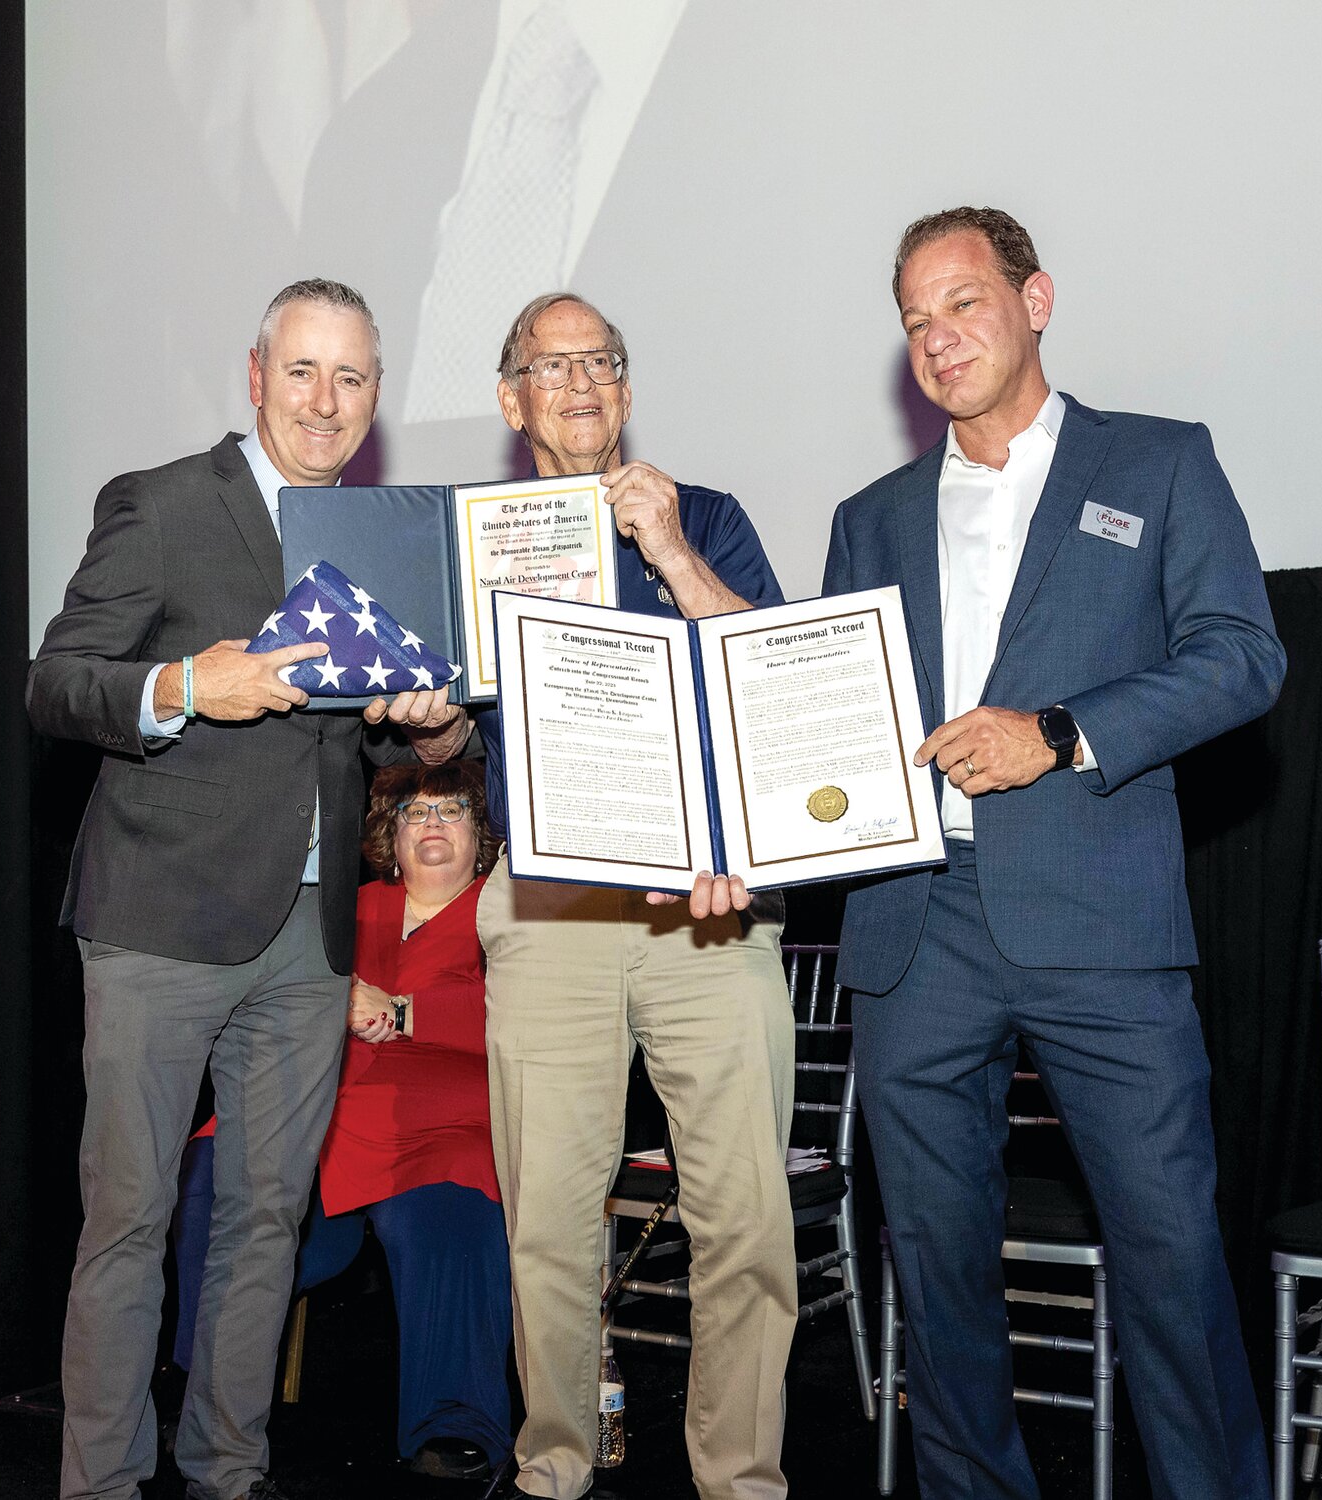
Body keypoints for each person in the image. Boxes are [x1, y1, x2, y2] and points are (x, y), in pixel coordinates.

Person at [823, 207, 1285, 1499]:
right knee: (940, 1268)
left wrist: (1063, 734)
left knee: (1174, 1260)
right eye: (916, 319)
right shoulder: (872, 516)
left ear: (1036, 301)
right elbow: (835, 717)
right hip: (919, 927)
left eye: (963, 303)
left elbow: (1244, 659)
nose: (938, 336)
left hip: (1102, 922)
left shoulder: (1157, 464)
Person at [26, 278, 467, 1500]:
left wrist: (429, 732)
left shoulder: (377, 532)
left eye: (353, 378)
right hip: (162, 924)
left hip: (311, 941)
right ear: (257, 372)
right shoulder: (164, 505)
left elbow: (368, 740)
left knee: (264, 1225)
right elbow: (56, 684)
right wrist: (179, 687)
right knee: (128, 1224)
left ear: (376, 394)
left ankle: (226, 1467)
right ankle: (102, 1484)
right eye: (304, 372)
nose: (325, 403)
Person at [462, 293, 798, 1500]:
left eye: (600, 361)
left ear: (626, 387)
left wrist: (669, 550)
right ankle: (555, 1467)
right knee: (547, 1223)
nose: (580, 383)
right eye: (550, 367)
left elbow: (778, 682)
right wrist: (427, 711)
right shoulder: (479, 535)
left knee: (745, 1222)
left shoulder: (703, 515)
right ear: (511, 401)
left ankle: (741, 1478)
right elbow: (455, 716)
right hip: (550, 912)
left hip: (708, 907)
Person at [172, 761, 511, 1482]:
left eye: (453, 810)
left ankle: (455, 1419)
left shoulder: (506, 916)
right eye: (415, 813)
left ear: (481, 833)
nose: (432, 825)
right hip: (319, 1108)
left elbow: (531, 1021)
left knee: (446, 1217)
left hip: (444, 1123)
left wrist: (402, 1011)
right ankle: (208, 1390)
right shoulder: (343, 909)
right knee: (211, 1166)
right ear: (388, 833)